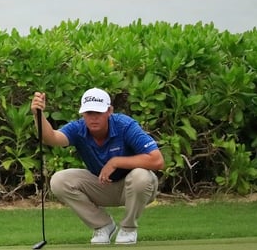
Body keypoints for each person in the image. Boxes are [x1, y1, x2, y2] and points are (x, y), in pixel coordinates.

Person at [30, 87, 164, 245]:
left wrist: (116, 162)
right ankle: (103, 226)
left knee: (141, 176)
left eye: (98, 113)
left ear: (109, 111)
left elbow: (157, 161)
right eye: (88, 113)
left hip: (134, 187)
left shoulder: (125, 125)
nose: (93, 118)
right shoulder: (78, 128)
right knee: (59, 180)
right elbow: (51, 138)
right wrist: (37, 114)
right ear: (82, 114)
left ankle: (128, 228)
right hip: (101, 185)